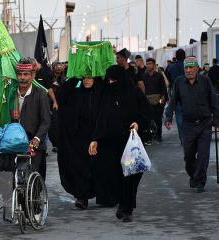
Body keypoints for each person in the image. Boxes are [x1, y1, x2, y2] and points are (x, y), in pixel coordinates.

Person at [88, 65, 152, 222]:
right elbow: (101, 118)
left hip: (130, 140)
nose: (111, 83)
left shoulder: (134, 92)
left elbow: (146, 113)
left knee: (130, 175)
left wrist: (138, 123)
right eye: (109, 80)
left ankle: (127, 208)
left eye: (114, 80)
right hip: (111, 142)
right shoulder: (107, 94)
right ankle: (121, 203)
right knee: (114, 175)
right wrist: (95, 138)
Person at [58, 41, 115, 210]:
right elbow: (62, 95)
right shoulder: (76, 91)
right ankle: (82, 197)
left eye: (89, 77)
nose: (86, 80)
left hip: (100, 136)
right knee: (81, 167)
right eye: (84, 77)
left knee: (102, 167)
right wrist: (75, 73)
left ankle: (106, 196)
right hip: (81, 138)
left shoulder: (102, 91)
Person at [164, 57, 219, 193]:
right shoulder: (179, 82)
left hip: (204, 123)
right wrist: (168, 116)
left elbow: (213, 99)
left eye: (191, 67)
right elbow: (173, 101)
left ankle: (200, 181)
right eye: (186, 68)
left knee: (203, 155)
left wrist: (216, 118)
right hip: (188, 125)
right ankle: (194, 175)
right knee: (188, 155)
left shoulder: (205, 81)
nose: (188, 70)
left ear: (197, 68)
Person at [14, 57, 50, 179]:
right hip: (14, 142)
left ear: (33, 76)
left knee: (31, 175)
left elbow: (46, 121)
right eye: (19, 74)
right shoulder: (11, 93)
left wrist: (37, 138)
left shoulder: (41, 94)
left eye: (26, 74)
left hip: (33, 142)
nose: (22, 77)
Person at [143, 58, 168, 142]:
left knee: (158, 119)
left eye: (150, 63)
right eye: (147, 63)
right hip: (147, 102)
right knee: (149, 120)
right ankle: (150, 135)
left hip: (158, 102)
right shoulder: (143, 76)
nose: (148, 65)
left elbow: (163, 89)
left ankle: (158, 135)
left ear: (154, 65)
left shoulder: (159, 76)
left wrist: (163, 99)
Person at [165, 48, 186, 143]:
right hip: (188, 92)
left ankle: (182, 139)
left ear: (176, 57)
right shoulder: (187, 66)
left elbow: (167, 77)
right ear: (184, 56)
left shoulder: (171, 67)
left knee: (179, 116)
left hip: (175, 92)